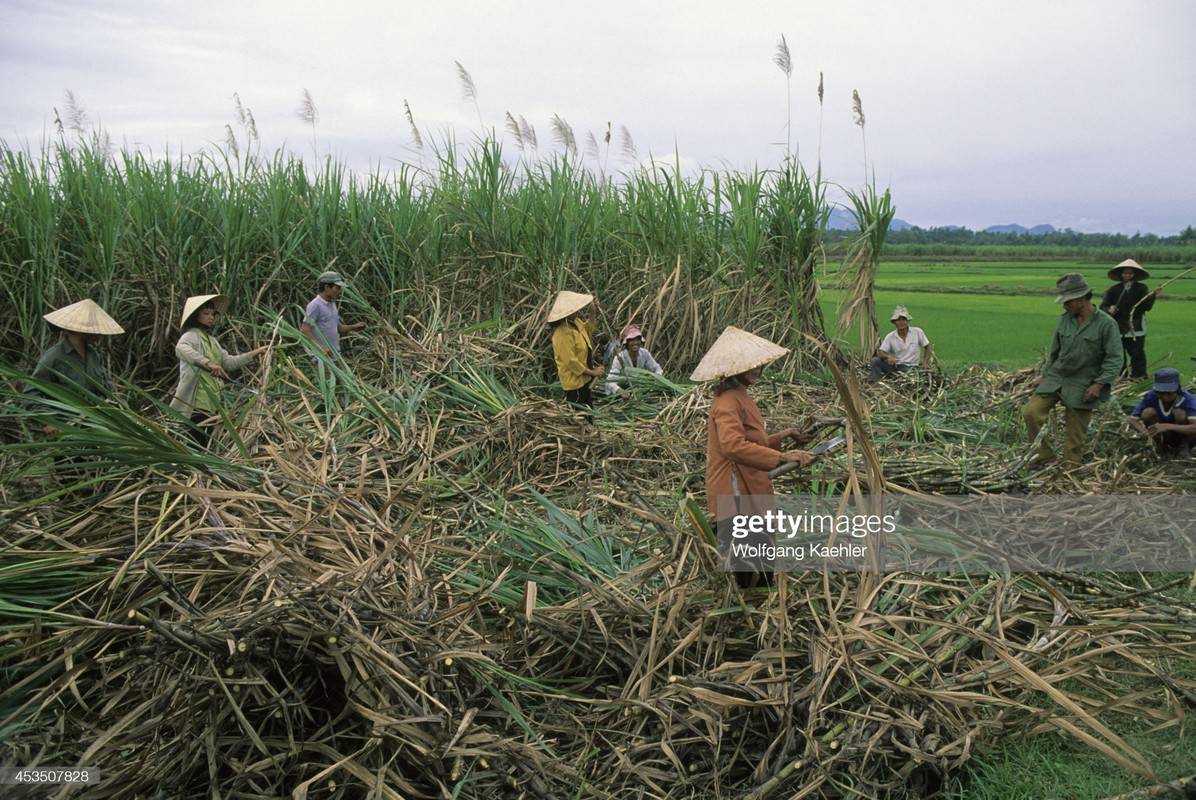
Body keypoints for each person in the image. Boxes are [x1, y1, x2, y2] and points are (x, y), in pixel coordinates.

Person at [692, 326, 815, 587]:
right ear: (735, 368)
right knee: (748, 556)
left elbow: (751, 441)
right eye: (752, 365)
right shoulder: (727, 402)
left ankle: (757, 604)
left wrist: (783, 436)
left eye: (760, 364)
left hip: (749, 483)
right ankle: (750, 611)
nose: (758, 368)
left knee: (758, 550)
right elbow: (733, 446)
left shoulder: (738, 394)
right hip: (735, 488)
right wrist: (781, 458)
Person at [1022, 273, 1122, 467]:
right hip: (1057, 375)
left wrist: (1099, 384)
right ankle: (1045, 456)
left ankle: (1069, 470)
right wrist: (1044, 375)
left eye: (1068, 301)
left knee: (1075, 433)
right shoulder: (1064, 320)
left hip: (1084, 382)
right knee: (1031, 413)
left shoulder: (1106, 324)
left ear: (1083, 298)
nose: (1064, 305)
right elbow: (1055, 353)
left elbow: (1114, 359)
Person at [170, 294, 269, 448]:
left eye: (212, 314)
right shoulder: (190, 336)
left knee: (205, 443)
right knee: (197, 442)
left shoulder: (213, 341)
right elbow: (181, 349)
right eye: (206, 314)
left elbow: (229, 363)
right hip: (197, 400)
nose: (210, 317)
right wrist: (208, 363)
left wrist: (256, 352)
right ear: (196, 316)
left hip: (212, 401)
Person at [26, 299, 125, 436]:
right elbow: (31, 394)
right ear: (79, 330)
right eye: (94, 330)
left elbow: (105, 392)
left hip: (95, 430)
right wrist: (49, 421)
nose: (100, 335)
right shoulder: (54, 357)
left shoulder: (94, 356)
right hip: (66, 433)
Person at [1099, 258, 1160, 379]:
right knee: (1119, 354)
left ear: (1135, 275)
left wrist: (1153, 296)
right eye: (1125, 273)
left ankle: (1139, 377)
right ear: (1121, 274)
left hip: (1136, 327)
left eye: (1130, 273)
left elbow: (1147, 307)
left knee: (1137, 354)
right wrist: (1109, 309)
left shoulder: (1141, 288)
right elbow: (1103, 306)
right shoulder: (1114, 289)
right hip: (1118, 327)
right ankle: (1121, 377)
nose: (1127, 275)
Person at [548, 290, 604, 409]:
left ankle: (590, 427)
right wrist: (593, 372)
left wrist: (593, 312)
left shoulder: (575, 322)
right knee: (579, 414)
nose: (577, 312)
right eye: (573, 310)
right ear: (566, 314)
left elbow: (587, 330)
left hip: (584, 379)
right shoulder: (562, 334)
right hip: (574, 383)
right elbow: (571, 362)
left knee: (588, 411)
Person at [1128, 367, 1195, 459]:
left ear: (1177, 389)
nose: (1165, 397)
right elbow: (1132, 419)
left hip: (1186, 436)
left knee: (1180, 413)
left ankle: (1184, 447)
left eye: (1169, 393)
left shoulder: (1187, 399)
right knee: (1148, 413)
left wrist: (1168, 426)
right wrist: (1144, 431)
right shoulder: (1151, 396)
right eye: (1161, 393)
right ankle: (1160, 445)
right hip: (1165, 435)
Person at [301, 271, 366, 358]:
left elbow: (337, 328)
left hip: (335, 356)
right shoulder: (316, 305)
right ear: (327, 287)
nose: (339, 291)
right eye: (337, 288)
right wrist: (321, 347)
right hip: (322, 359)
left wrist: (354, 327)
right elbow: (305, 329)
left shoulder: (332, 304)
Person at [869, 305, 933, 383]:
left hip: (911, 368)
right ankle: (877, 384)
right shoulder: (891, 336)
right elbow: (880, 353)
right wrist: (888, 356)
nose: (901, 322)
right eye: (898, 320)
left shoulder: (917, 332)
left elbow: (927, 346)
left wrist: (925, 362)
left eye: (903, 319)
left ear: (907, 321)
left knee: (908, 372)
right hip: (896, 367)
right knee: (875, 361)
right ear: (894, 322)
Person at [605, 324, 664, 395]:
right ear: (627, 343)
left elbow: (656, 368)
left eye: (637, 340)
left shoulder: (644, 353)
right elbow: (609, 381)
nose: (635, 343)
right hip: (624, 388)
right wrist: (620, 390)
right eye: (632, 340)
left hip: (638, 388)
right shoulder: (620, 357)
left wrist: (658, 377)